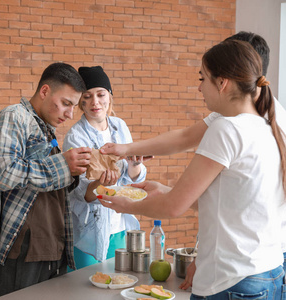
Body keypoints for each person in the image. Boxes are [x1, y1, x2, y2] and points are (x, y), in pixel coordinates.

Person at [98, 40, 286, 299]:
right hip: (269, 273)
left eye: (203, 78)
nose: (199, 87)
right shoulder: (269, 129)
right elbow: (235, 204)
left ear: (222, 83)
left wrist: (125, 205)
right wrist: (165, 188)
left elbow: (173, 207)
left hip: (232, 281)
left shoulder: (227, 129)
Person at [0, 62, 92, 298]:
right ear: (45, 91)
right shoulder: (14, 117)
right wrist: (62, 164)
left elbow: (45, 185)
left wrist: (78, 171)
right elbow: (4, 173)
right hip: (22, 249)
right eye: (66, 103)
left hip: (50, 244)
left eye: (74, 107)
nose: (69, 114)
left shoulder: (45, 128)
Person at [62, 66, 149, 269]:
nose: (95, 102)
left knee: (118, 282)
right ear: (80, 100)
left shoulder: (121, 126)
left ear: (109, 96)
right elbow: (79, 192)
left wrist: (135, 163)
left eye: (101, 94)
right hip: (89, 230)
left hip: (120, 225)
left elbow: (133, 179)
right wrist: (100, 185)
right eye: (88, 96)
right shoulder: (76, 136)